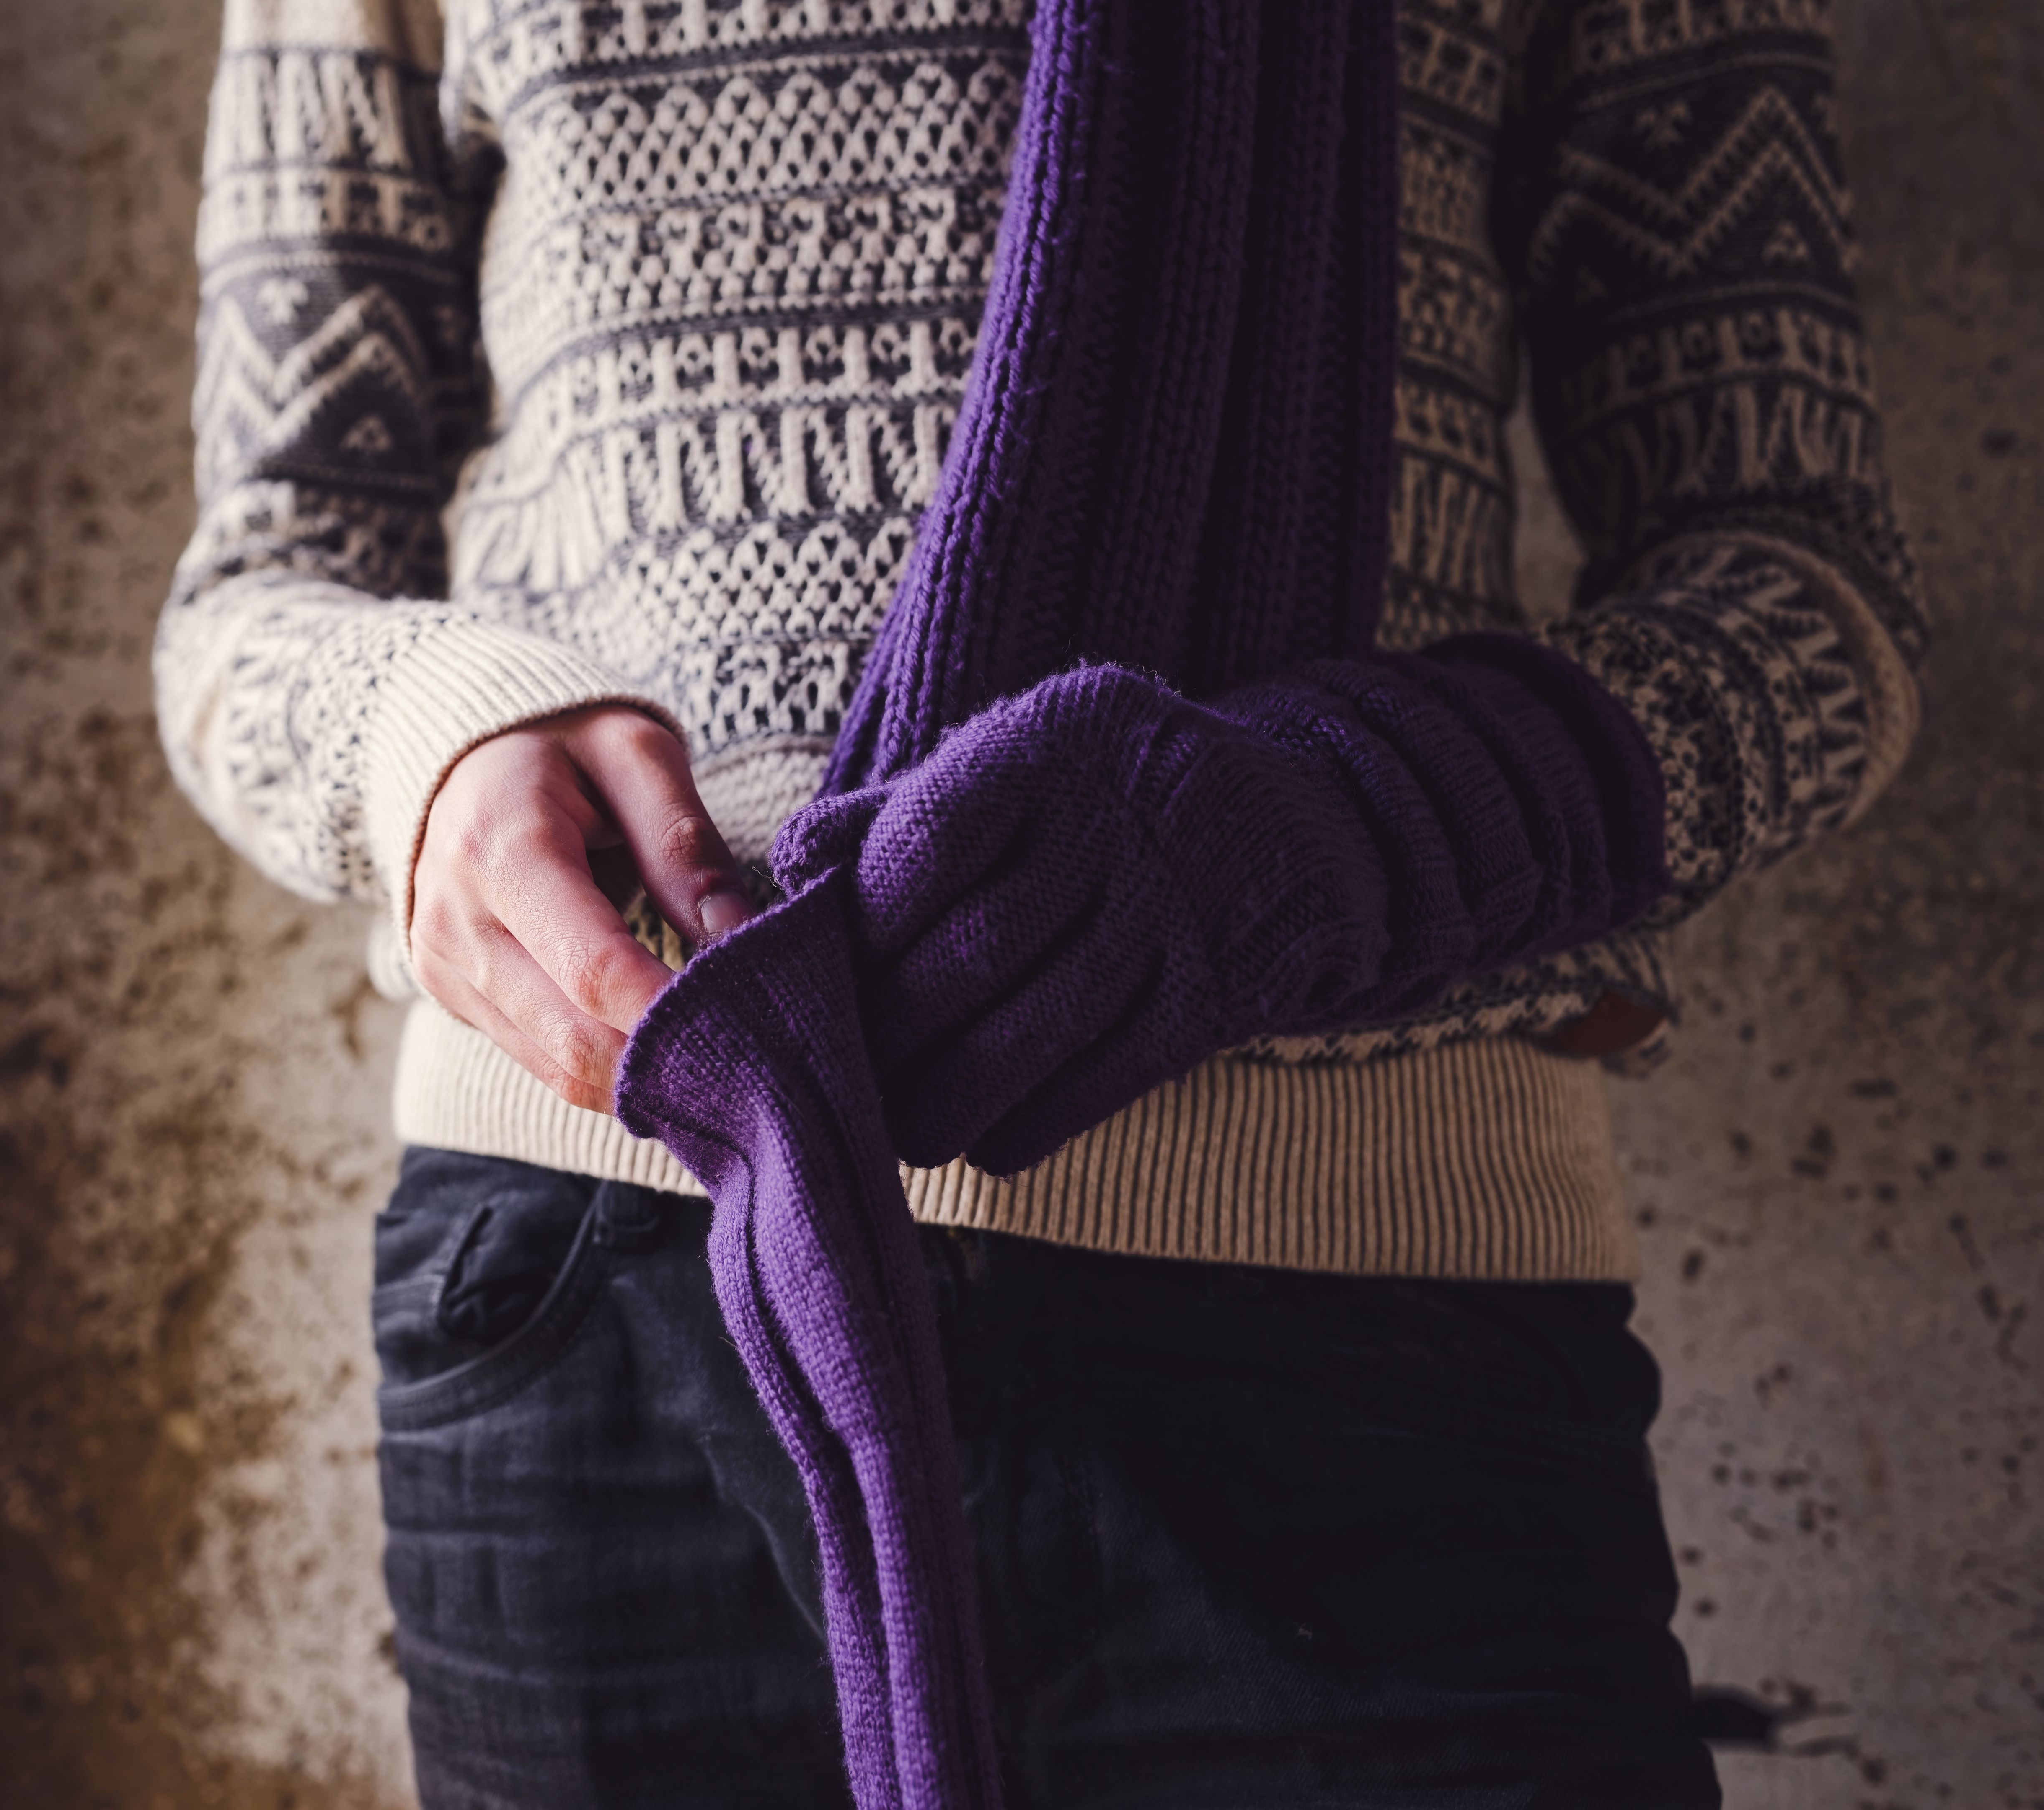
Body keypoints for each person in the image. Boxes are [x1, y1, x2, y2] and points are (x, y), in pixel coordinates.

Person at [155, 0, 1925, 1803]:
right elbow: (259, 583)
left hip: (1366, 1327)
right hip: (601, 1294)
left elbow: (1808, 600)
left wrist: (1333, 825)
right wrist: (429, 750)